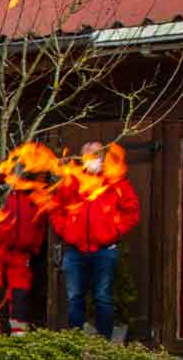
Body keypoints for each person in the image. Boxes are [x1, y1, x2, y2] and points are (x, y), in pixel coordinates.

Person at [49, 141, 140, 341]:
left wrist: (114, 231)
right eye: (88, 155)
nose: (92, 160)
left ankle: (103, 345)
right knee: (74, 299)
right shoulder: (71, 182)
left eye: (96, 155)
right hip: (74, 249)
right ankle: (75, 342)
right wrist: (66, 231)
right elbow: (56, 209)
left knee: (103, 298)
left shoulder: (116, 182)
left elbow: (132, 212)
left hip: (105, 249)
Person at [0, 160, 46, 336]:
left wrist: (34, 247)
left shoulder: (31, 197)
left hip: (20, 253)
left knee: (20, 291)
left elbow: (40, 225)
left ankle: (18, 331)